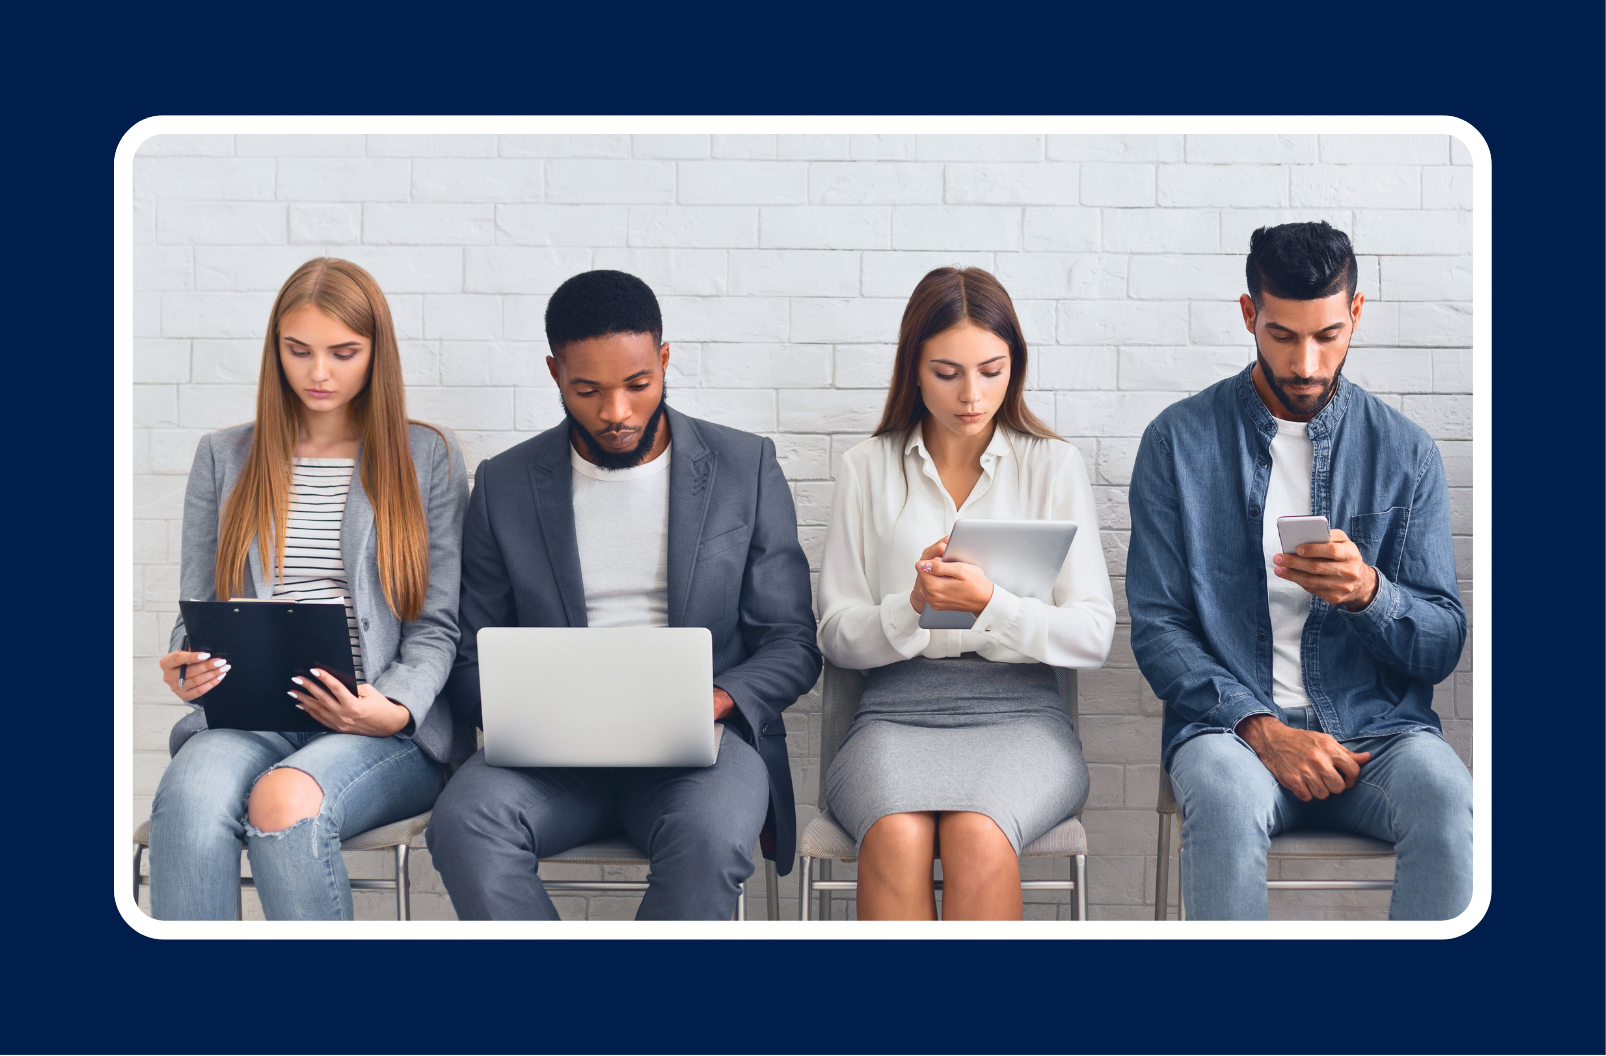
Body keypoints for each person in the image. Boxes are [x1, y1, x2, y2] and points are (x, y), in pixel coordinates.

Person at [426, 270, 820, 921]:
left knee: (711, 835)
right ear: (555, 374)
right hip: (553, 762)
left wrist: (716, 700)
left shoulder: (743, 468)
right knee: (465, 824)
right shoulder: (505, 486)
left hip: (699, 754)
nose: (616, 412)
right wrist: (533, 709)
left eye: (638, 385)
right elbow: (467, 656)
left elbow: (792, 642)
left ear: (663, 360)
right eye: (588, 390)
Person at [1127, 221, 1472, 920]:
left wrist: (1370, 595)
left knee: (1448, 797)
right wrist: (1263, 729)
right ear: (1250, 314)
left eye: (1328, 335)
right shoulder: (1177, 442)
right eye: (1283, 335)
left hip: (1379, 734)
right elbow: (1160, 629)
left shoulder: (1407, 453)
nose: (1308, 364)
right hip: (1234, 736)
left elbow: (1440, 645)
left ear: (1357, 314)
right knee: (1223, 799)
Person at [148, 258, 469, 920]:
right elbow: (198, 611)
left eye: (343, 353)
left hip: (378, 728)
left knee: (284, 802)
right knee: (189, 797)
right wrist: (188, 663)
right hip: (254, 715)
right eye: (298, 351)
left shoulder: (426, 457)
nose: (319, 373)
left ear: (376, 353)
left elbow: (438, 624)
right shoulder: (223, 457)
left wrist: (396, 708)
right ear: (276, 352)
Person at [815, 267, 1115, 921]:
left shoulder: (1052, 466)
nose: (972, 394)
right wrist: (912, 607)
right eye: (947, 372)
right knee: (895, 833)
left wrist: (993, 605)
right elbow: (836, 634)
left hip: (1024, 720)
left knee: (980, 833)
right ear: (913, 370)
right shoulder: (866, 467)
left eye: (992, 369)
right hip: (894, 714)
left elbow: (1093, 635)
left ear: (1017, 366)